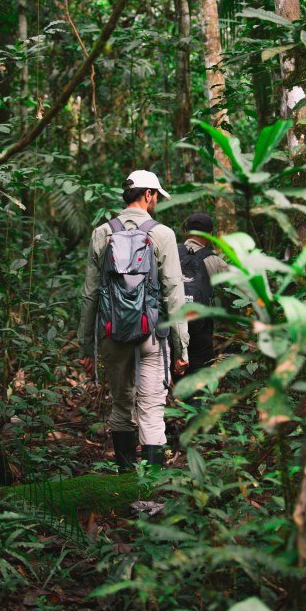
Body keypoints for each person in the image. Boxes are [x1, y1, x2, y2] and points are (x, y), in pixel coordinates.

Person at [77, 169, 189, 470]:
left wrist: (85, 346)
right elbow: (174, 294)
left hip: (112, 333)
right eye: (156, 196)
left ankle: (125, 481)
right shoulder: (162, 234)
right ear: (149, 195)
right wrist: (182, 349)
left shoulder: (102, 232)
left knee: (121, 405)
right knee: (152, 410)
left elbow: (89, 294)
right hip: (152, 334)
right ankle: (151, 490)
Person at [178, 212, 228, 375]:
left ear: (186, 232)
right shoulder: (214, 261)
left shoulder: (170, 253)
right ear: (210, 235)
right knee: (199, 383)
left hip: (170, 328)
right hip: (200, 331)